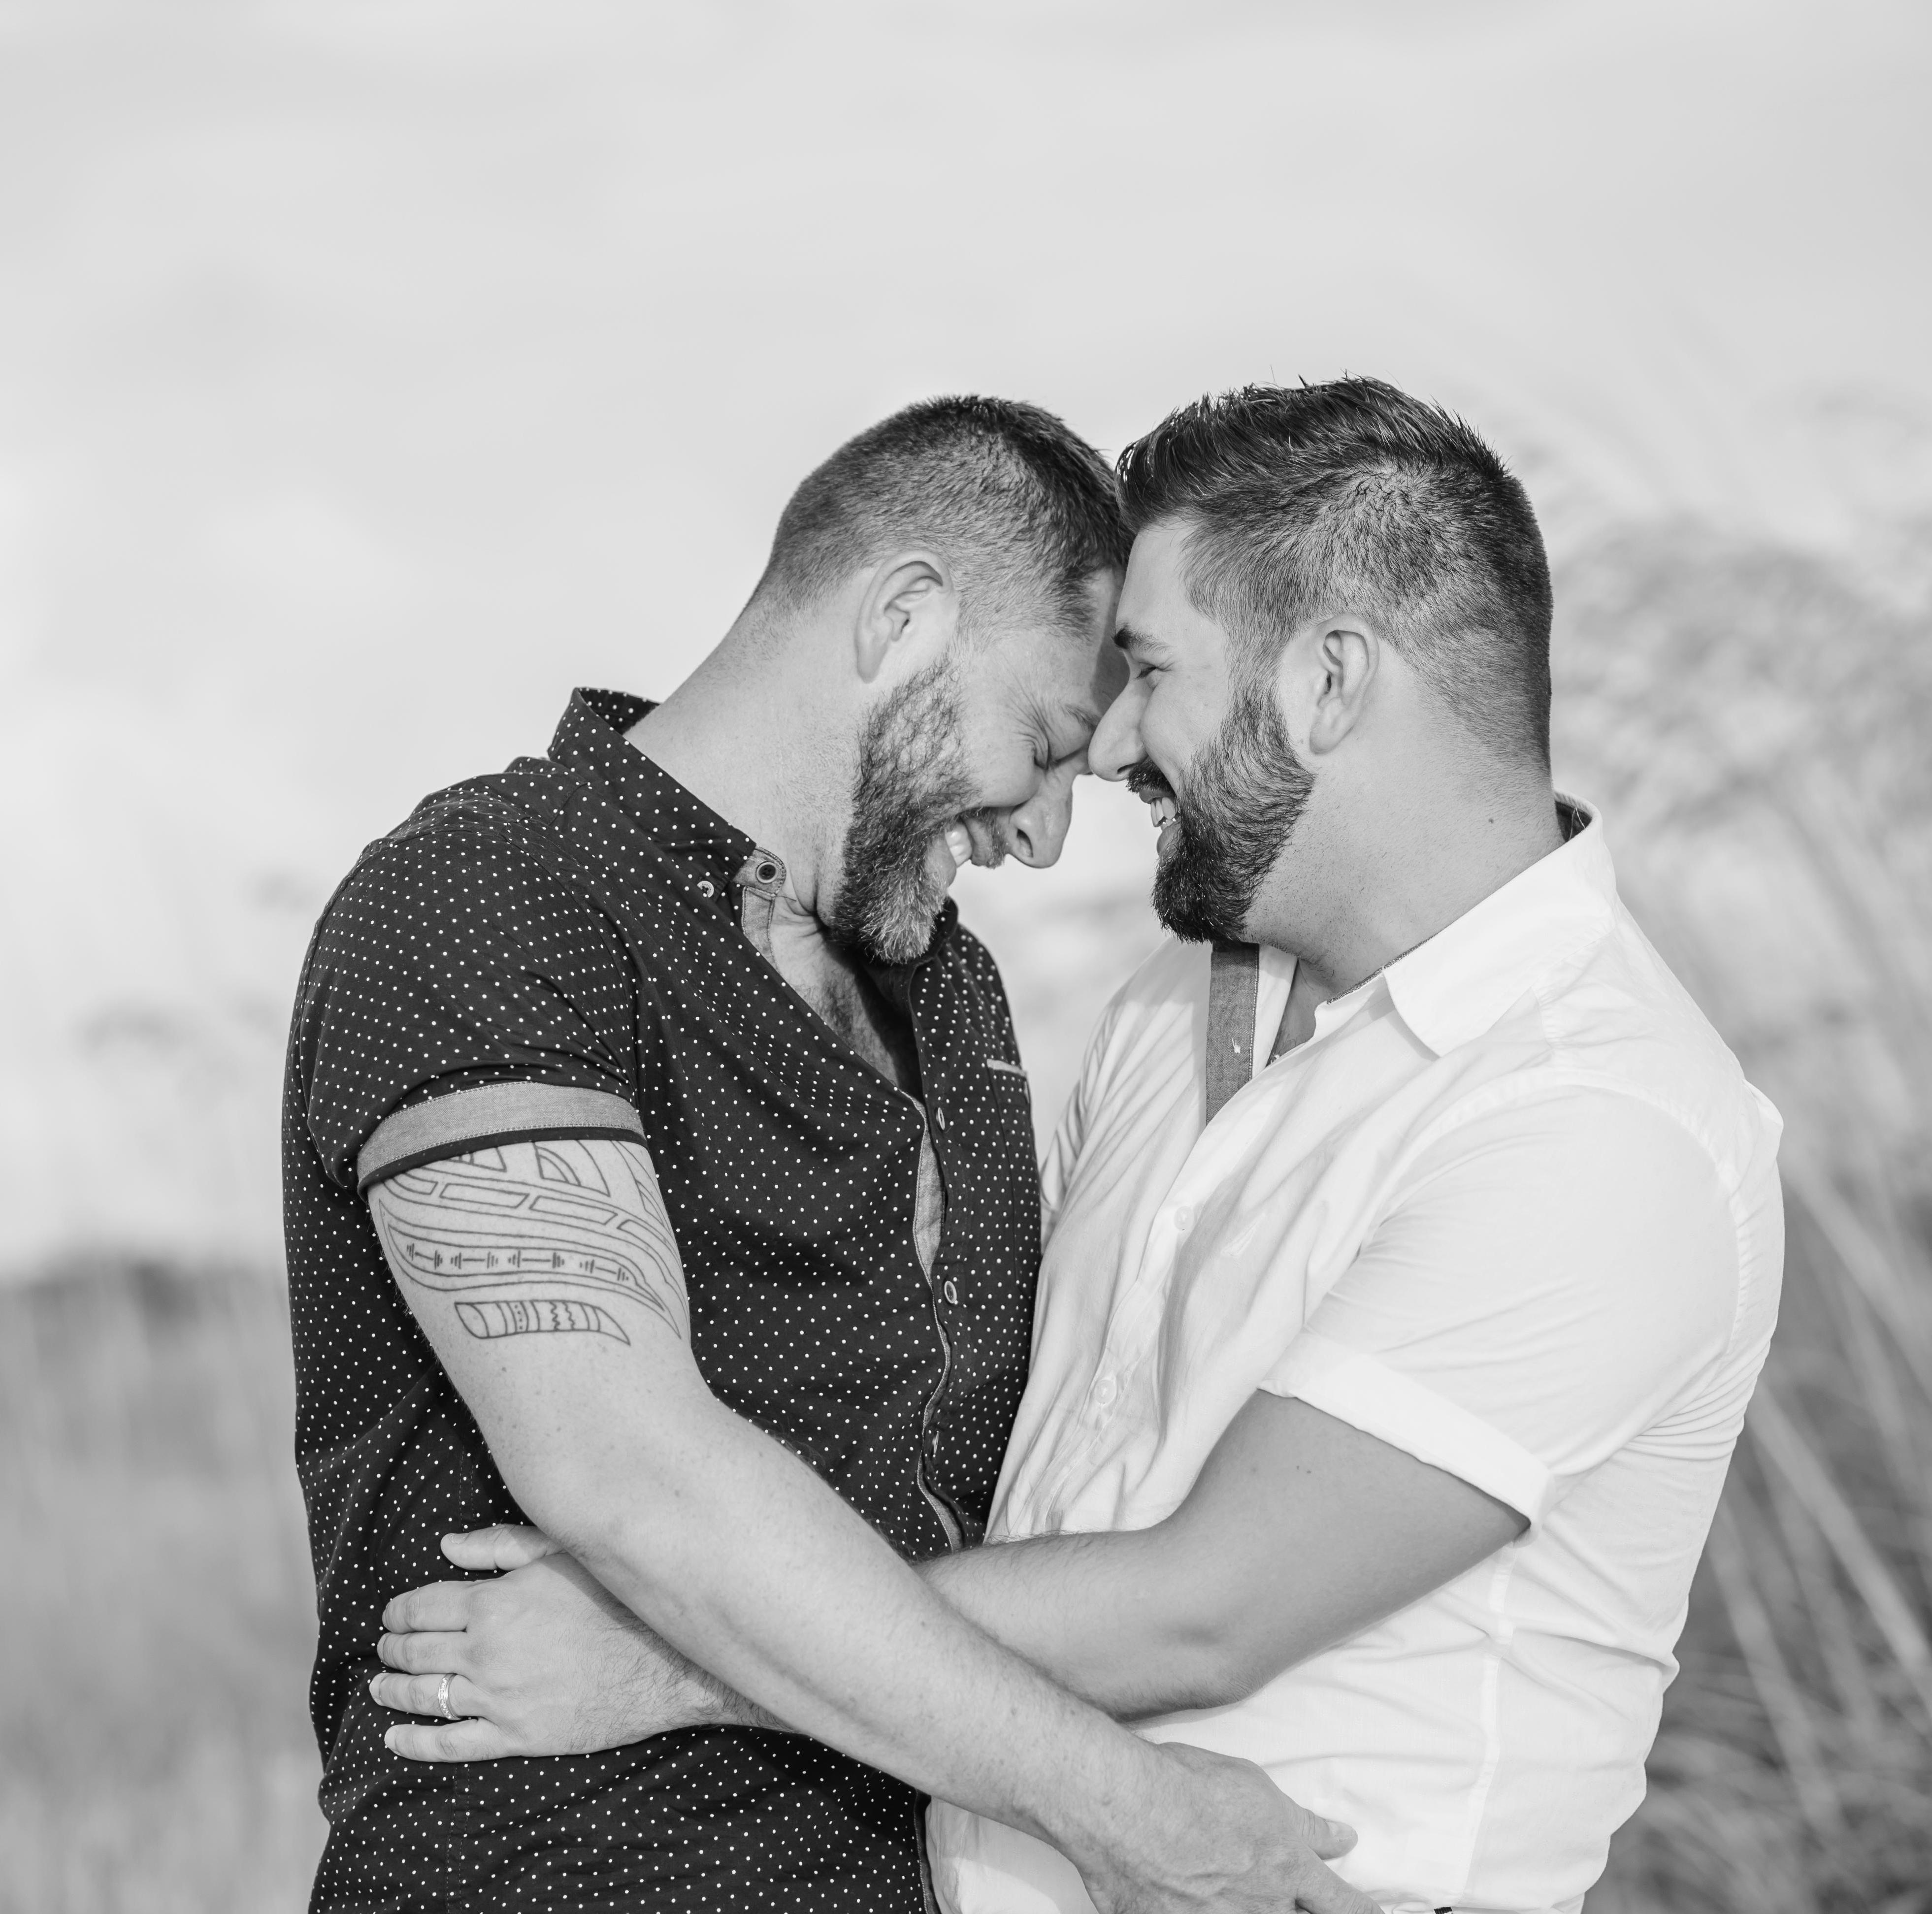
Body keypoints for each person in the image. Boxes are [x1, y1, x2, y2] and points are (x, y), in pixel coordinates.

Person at [371, 379, 1785, 1914]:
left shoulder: (1594, 1118)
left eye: (1153, 670)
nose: (1110, 748)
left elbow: (1206, 1608)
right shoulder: (1166, 1007)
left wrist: (675, 1654)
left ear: (1328, 682)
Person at [283, 393, 1371, 1914]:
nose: (1051, 838)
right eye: (1047, 745)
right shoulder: (487, 900)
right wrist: (1126, 1808)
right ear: (905, 621)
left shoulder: (953, 983)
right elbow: (630, 1472)